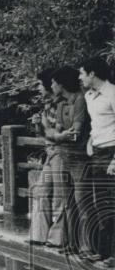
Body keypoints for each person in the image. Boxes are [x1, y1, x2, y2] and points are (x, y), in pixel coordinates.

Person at [48, 66, 91, 258]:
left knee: (82, 201)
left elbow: (75, 133)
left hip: (79, 157)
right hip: (63, 156)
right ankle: (72, 243)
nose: (51, 86)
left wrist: (59, 135)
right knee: (68, 202)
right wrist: (60, 135)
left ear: (61, 83)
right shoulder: (60, 103)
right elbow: (54, 133)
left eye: (53, 82)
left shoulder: (80, 100)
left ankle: (86, 246)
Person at [79, 58, 115, 266]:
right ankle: (102, 252)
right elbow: (98, 124)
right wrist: (91, 140)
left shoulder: (112, 93)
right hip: (98, 152)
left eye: (82, 73)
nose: (80, 77)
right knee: (100, 202)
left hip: (112, 152)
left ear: (92, 74)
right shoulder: (90, 96)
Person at [29, 69, 66, 247]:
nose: (40, 89)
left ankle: (57, 239)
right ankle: (39, 235)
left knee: (59, 195)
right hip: (50, 152)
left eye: (41, 85)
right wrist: (39, 125)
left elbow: (59, 134)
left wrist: (44, 126)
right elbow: (44, 135)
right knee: (41, 191)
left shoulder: (63, 105)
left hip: (61, 151)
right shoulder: (47, 106)